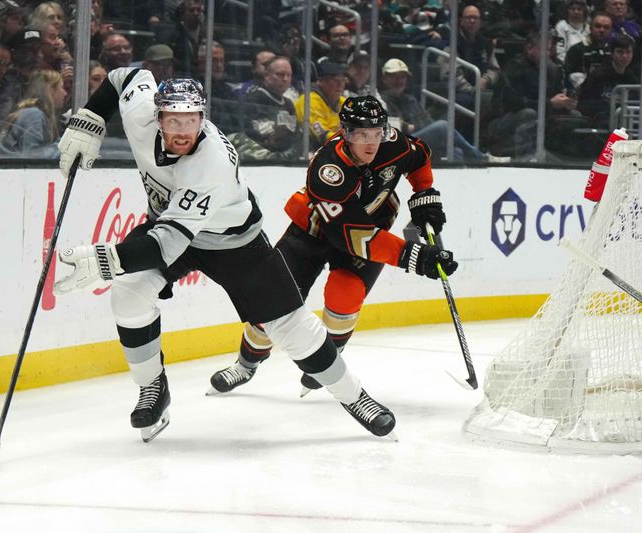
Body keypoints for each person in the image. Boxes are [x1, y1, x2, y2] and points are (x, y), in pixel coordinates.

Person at [53, 69, 397, 442]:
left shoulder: (210, 162)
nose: (183, 130)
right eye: (173, 120)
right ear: (158, 117)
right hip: (169, 224)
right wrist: (91, 117)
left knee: (291, 326)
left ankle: (354, 396)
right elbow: (126, 75)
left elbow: (167, 243)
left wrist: (106, 259)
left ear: (203, 118)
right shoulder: (140, 114)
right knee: (129, 293)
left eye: (191, 119)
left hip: (235, 244)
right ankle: (153, 387)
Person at [207, 96, 459, 398]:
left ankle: (327, 363)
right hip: (312, 234)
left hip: (365, 232)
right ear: (346, 132)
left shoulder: (393, 143)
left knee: (346, 294)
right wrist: (412, 256)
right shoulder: (328, 168)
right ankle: (246, 365)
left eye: (376, 133)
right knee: (272, 307)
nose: (370, 144)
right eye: (361, 135)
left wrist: (424, 194)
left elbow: (420, 157)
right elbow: (353, 236)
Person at [379, 58, 491, 163]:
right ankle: (481, 157)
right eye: (393, 76)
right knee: (442, 126)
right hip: (396, 148)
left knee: (456, 152)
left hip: (415, 142)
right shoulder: (380, 100)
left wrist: (414, 127)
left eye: (402, 77)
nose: (399, 81)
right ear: (384, 79)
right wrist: (409, 127)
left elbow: (427, 123)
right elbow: (390, 129)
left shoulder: (410, 100)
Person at [229, 55, 299, 161]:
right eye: (280, 74)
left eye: (289, 75)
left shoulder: (289, 104)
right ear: (266, 76)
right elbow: (249, 136)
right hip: (261, 162)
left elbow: (295, 137)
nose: (285, 79)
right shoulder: (251, 101)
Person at [0, 69, 66, 157]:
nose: (65, 93)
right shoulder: (34, 115)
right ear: (51, 90)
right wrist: (65, 146)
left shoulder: (34, 113)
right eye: (61, 88)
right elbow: (32, 156)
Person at [577, 34, 638, 128]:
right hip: (601, 122)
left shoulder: (633, 79)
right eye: (620, 52)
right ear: (612, 53)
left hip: (626, 123)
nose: (624, 56)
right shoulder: (598, 75)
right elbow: (585, 102)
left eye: (628, 52)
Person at [295, 59, 347, 150]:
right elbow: (322, 135)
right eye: (335, 80)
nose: (340, 85)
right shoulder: (308, 100)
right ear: (321, 81)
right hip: (310, 152)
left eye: (343, 80)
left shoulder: (344, 102)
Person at [565, 12, 613, 91]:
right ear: (590, 28)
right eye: (598, 26)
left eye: (606, 27)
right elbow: (576, 82)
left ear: (611, 30)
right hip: (584, 97)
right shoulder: (576, 50)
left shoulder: (613, 50)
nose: (602, 30)